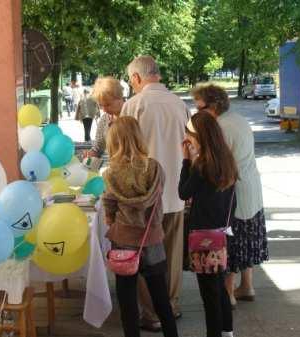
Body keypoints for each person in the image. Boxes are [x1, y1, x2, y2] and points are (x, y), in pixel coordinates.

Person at [121, 55, 190, 331]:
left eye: (130, 80)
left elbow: (124, 152)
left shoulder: (134, 105)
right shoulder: (179, 104)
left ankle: (151, 314)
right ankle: (170, 307)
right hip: (176, 191)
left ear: (137, 78)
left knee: (145, 254)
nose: (131, 84)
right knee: (172, 254)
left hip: (145, 195)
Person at [191, 83, 268, 307]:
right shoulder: (239, 119)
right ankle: (247, 286)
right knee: (247, 239)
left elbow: (216, 166)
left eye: (200, 108)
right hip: (251, 188)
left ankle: (228, 294)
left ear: (213, 105)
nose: (197, 113)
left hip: (233, 192)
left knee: (231, 242)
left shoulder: (220, 128)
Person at [102, 116, 178, 337]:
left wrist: (111, 219)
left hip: (124, 241)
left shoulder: (111, 174)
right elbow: (158, 199)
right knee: (161, 298)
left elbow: (109, 204)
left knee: (127, 302)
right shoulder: (154, 168)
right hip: (152, 239)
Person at [178, 111, 237, 337]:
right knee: (219, 287)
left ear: (198, 136)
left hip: (203, 238)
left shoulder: (201, 164)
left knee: (209, 294)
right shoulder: (226, 160)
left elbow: (183, 192)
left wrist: (185, 159)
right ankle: (227, 331)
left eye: (189, 133)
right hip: (221, 235)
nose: (186, 137)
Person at [88, 76, 125, 158]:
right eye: (101, 105)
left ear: (119, 98)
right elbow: (98, 147)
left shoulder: (132, 115)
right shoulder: (105, 119)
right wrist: (92, 153)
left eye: (108, 104)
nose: (104, 110)